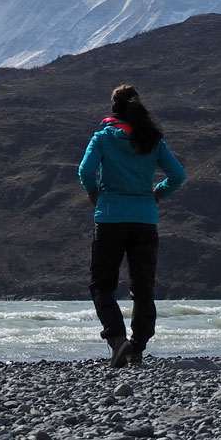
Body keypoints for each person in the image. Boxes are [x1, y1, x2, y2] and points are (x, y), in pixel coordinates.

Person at [78, 84, 186, 367]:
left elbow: (86, 171)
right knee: (143, 288)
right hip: (144, 219)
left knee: (102, 285)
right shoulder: (152, 139)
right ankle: (137, 348)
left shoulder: (102, 137)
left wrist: (94, 193)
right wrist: (157, 194)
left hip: (110, 217)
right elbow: (178, 175)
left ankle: (117, 340)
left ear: (114, 108)